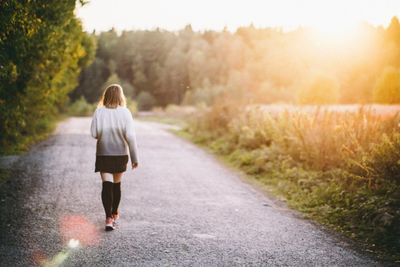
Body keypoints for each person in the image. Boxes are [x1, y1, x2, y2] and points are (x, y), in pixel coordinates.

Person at [90, 84, 139, 231]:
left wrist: (104, 132)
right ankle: (115, 213)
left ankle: (108, 219)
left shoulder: (99, 112)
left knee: (107, 185)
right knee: (116, 185)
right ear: (120, 96)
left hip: (104, 153)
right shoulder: (125, 113)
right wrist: (134, 158)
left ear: (106, 96)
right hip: (120, 154)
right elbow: (130, 136)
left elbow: (94, 134)